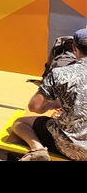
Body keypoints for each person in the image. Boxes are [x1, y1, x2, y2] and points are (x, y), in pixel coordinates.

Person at [11, 27, 87, 161]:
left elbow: (34, 106)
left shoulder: (61, 74)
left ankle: (37, 149)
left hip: (71, 147)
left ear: (74, 49)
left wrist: (52, 104)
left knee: (20, 123)